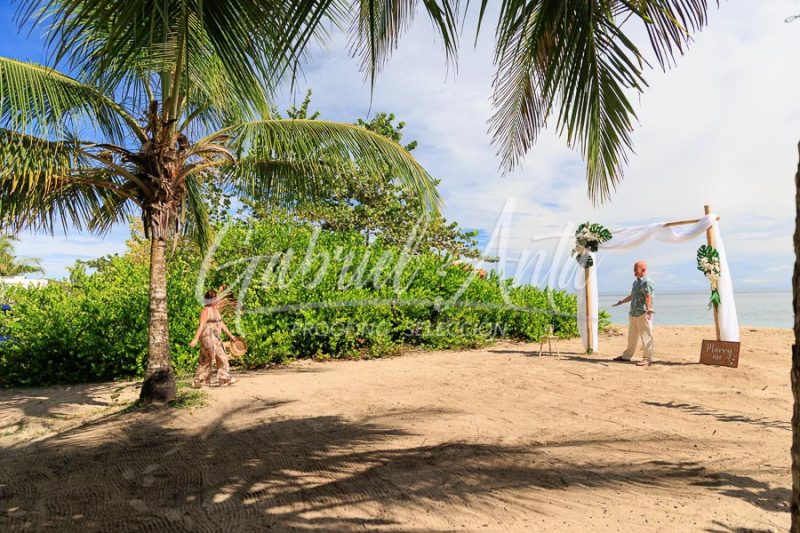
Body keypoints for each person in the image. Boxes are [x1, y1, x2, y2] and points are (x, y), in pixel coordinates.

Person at [189, 289, 238, 387]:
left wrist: (230, 335)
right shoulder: (205, 310)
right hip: (207, 336)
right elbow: (201, 325)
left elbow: (221, 323)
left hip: (215, 337)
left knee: (221, 355)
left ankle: (224, 378)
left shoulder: (215, 310)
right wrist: (195, 339)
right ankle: (199, 380)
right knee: (209, 357)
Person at [612, 260, 655, 367]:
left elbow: (648, 296)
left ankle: (647, 358)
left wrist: (649, 310)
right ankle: (627, 356)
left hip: (642, 312)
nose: (634, 272)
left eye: (636, 269)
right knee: (632, 337)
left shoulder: (647, 282)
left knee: (646, 336)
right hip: (633, 312)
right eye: (634, 269)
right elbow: (632, 296)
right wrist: (621, 302)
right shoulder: (636, 282)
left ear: (643, 270)